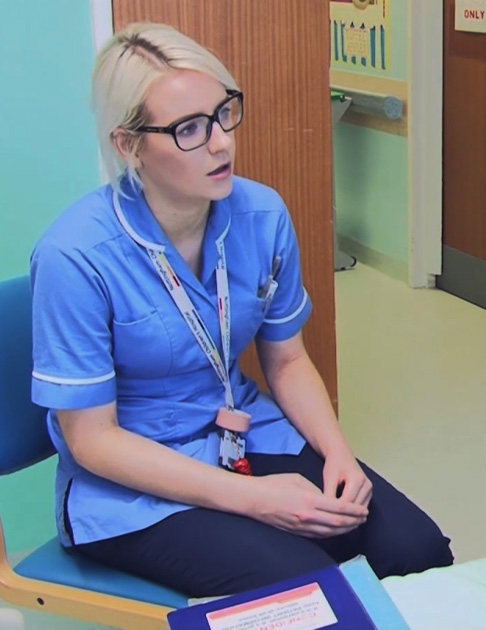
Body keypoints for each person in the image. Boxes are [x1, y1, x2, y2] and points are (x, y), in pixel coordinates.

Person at [29, 23, 453, 598]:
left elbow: (286, 360)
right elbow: (92, 440)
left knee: (417, 552)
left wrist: (339, 455)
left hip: (244, 434)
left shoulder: (261, 214)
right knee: (312, 589)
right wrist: (257, 501)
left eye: (224, 112)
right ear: (128, 144)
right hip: (132, 485)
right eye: (189, 130)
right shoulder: (75, 255)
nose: (221, 142)